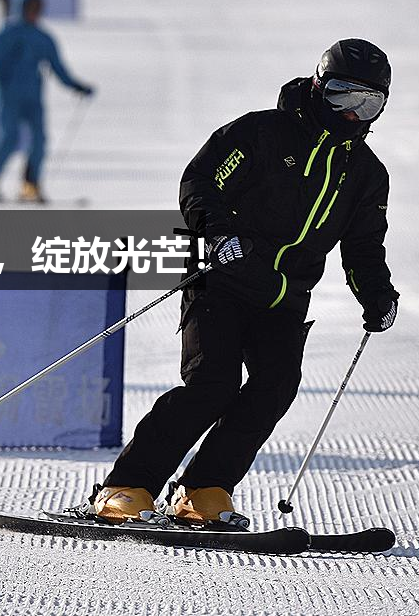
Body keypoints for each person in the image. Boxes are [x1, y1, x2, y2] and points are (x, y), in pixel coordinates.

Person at [89, 39, 400, 526]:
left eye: (369, 102)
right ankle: (126, 487)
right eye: (343, 96)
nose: (353, 113)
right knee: (212, 385)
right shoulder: (260, 133)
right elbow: (200, 183)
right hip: (222, 281)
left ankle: (205, 489)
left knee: (276, 386)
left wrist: (377, 294)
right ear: (319, 86)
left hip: (283, 298)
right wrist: (219, 233)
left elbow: (363, 246)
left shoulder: (365, 173)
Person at [0, 0, 93, 203]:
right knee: (10, 138)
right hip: (9, 96)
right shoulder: (9, 33)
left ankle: (30, 186)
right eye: (31, 8)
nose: (34, 13)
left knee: (39, 141)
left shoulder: (42, 38)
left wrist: (76, 86)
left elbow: (57, 67)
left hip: (33, 98)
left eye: (38, 9)